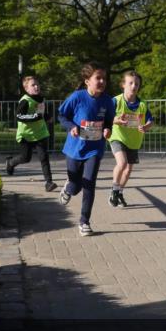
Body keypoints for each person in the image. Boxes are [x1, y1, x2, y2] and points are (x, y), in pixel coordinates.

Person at [57, 62, 116, 237]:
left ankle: (84, 221)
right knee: (76, 186)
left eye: (104, 78)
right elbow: (62, 115)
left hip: (94, 149)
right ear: (87, 81)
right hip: (75, 148)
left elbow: (109, 121)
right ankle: (68, 188)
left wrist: (107, 129)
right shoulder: (77, 97)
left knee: (89, 183)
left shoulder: (108, 101)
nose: (102, 82)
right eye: (98, 78)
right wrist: (71, 127)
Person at [108, 70, 153, 208]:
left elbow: (151, 121)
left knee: (128, 170)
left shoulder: (142, 104)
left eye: (137, 84)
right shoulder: (116, 101)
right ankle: (114, 190)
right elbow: (106, 117)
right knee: (122, 163)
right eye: (130, 83)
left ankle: (120, 192)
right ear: (123, 85)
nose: (134, 86)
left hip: (134, 140)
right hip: (117, 137)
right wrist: (116, 120)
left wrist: (146, 127)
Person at [6, 75, 57, 192]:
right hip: (26, 135)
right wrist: (35, 116)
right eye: (33, 85)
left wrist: (47, 117)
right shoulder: (25, 101)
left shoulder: (40, 99)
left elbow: (41, 113)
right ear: (26, 89)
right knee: (25, 158)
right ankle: (10, 162)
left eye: (37, 84)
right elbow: (19, 116)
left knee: (44, 157)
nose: (36, 86)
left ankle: (49, 183)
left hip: (40, 133)